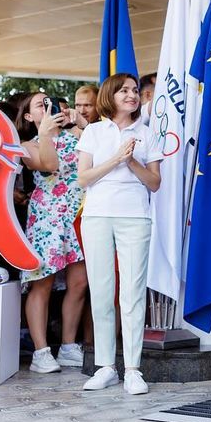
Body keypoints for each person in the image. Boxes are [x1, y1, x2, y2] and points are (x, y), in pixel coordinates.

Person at [76, 73, 162, 395]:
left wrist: (132, 163)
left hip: (135, 217)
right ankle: (106, 367)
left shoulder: (148, 133)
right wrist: (116, 159)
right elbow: (84, 178)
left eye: (135, 90)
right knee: (100, 291)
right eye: (124, 90)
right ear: (110, 95)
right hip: (97, 216)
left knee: (133, 292)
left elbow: (154, 182)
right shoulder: (94, 132)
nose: (132, 95)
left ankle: (134, 369)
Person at [17, 93, 88, 374]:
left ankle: (69, 346)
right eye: (40, 105)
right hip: (47, 217)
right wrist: (46, 133)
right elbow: (48, 164)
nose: (47, 108)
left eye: (51, 104)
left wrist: (79, 122)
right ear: (28, 117)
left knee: (80, 281)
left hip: (78, 214)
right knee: (42, 283)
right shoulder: (26, 145)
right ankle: (41, 351)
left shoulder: (80, 137)